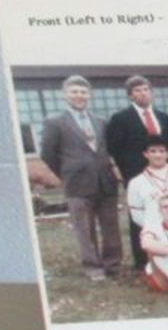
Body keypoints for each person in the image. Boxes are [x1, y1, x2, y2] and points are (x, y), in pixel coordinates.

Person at [35, 74, 123, 280]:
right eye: (74, 92)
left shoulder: (100, 121)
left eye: (83, 92)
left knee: (111, 227)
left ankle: (113, 265)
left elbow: (107, 149)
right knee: (85, 229)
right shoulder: (54, 122)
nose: (79, 96)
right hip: (77, 184)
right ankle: (93, 267)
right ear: (65, 95)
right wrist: (66, 172)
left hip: (105, 181)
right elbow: (47, 153)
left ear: (89, 95)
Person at [105, 74, 168, 268]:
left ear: (151, 92)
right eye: (137, 91)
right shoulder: (120, 118)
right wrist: (121, 172)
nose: (142, 94)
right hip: (135, 173)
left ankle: (167, 252)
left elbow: (165, 146)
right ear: (130, 95)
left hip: (162, 172)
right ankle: (143, 260)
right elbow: (114, 148)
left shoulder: (163, 117)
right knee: (140, 216)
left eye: (145, 89)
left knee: (165, 210)